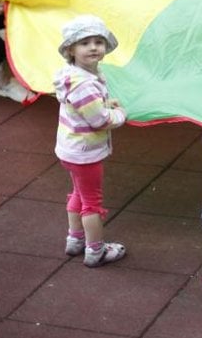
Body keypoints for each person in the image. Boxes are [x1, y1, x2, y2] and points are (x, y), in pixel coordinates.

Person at [54, 15, 128, 267]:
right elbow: (99, 120)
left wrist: (105, 104)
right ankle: (95, 250)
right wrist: (118, 114)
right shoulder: (83, 84)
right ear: (70, 50)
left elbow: (86, 109)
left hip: (70, 149)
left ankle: (75, 240)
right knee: (92, 204)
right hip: (85, 152)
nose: (94, 47)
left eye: (99, 41)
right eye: (85, 43)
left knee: (79, 193)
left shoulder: (75, 76)